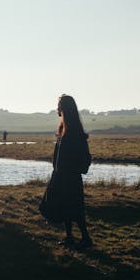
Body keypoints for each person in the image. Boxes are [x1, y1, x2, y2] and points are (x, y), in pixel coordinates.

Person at [39, 94, 92, 250]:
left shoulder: (73, 129)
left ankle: (85, 238)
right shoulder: (64, 127)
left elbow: (80, 154)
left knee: (74, 207)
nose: (57, 109)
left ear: (64, 108)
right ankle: (70, 237)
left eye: (59, 105)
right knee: (66, 206)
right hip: (61, 174)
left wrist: (70, 169)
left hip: (70, 175)